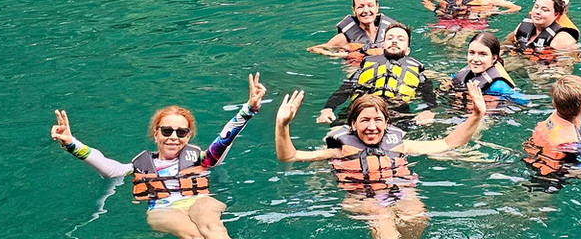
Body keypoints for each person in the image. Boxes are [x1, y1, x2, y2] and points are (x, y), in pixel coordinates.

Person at [51, 73, 266, 239]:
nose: (173, 137)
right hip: (163, 209)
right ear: (156, 134)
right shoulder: (141, 165)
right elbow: (108, 168)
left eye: (181, 132)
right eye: (166, 131)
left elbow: (223, 140)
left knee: (212, 227)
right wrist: (72, 143)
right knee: (193, 235)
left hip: (198, 201)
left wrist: (248, 110)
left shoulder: (201, 159)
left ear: (188, 136)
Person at [275, 84, 487, 239]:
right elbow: (289, 156)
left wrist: (477, 115)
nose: (372, 126)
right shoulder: (340, 150)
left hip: (401, 191)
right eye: (365, 120)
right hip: (361, 197)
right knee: (382, 214)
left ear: (387, 123)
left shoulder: (400, 145)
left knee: (416, 216)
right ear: (353, 125)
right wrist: (282, 125)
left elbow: (449, 143)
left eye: (378, 120)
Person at [316, 23, 437, 126]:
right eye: (390, 38)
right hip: (360, 109)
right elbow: (344, 89)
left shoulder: (416, 72)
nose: (394, 41)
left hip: (396, 113)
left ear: (408, 50)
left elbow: (429, 94)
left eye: (400, 39)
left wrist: (428, 111)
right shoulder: (367, 66)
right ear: (383, 44)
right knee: (333, 139)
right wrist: (328, 108)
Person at [307, 0, 394, 58]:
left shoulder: (389, 33)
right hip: (356, 71)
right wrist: (339, 54)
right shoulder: (344, 38)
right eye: (360, 7)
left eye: (370, 6)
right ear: (354, 10)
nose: (366, 11)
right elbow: (313, 49)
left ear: (377, 7)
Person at [451, 32, 530, 106]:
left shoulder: (498, 86)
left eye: (483, 54)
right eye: (472, 53)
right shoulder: (465, 73)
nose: (475, 59)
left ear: (494, 58)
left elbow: (525, 102)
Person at [505, 0, 580, 52]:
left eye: (544, 10)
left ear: (556, 15)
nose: (538, 12)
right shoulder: (524, 25)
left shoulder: (561, 39)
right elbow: (507, 43)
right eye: (536, 7)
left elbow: (561, 67)